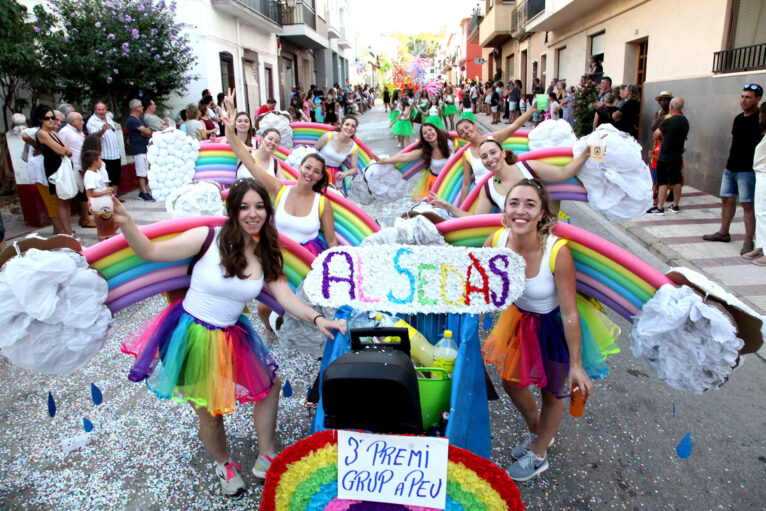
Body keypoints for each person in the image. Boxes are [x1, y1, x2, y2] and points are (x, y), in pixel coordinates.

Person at [116, 177, 345, 497]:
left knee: (269, 386)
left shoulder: (267, 251)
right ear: (232, 210)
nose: (253, 214)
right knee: (210, 411)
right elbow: (151, 251)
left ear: (268, 211)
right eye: (244, 207)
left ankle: (266, 455)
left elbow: (287, 298)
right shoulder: (208, 237)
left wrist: (318, 318)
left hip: (233, 333)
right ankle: (223, 463)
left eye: (260, 206)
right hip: (191, 334)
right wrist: (127, 223)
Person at [482, 178, 616, 481]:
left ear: (542, 213)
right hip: (520, 320)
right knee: (511, 382)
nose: (521, 210)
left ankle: (539, 453)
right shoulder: (495, 242)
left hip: (554, 324)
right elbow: (482, 285)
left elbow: (570, 312)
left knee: (552, 392)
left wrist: (577, 364)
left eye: (530, 204)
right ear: (504, 211)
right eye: (514, 203)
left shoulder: (558, 252)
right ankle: (538, 431)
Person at [431, 138, 594, 217]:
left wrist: (585, 154)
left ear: (503, 153)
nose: (490, 159)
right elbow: (476, 219)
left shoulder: (528, 167)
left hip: (544, 233)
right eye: (484, 156)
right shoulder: (488, 188)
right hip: (516, 240)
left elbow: (564, 173)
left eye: (493, 152)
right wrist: (448, 206)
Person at [703, 84, 764, 255]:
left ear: (758, 99)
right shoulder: (738, 118)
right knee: (726, 200)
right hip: (731, 167)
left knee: (747, 205)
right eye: (742, 96)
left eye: (748, 97)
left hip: (748, 170)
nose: (743, 100)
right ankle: (723, 232)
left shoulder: (761, 118)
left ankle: (748, 241)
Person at [455, 100, 538, 202]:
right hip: (482, 194)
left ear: (474, 126)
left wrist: (532, 110)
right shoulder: (467, 154)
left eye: (467, 127)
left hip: (502, 188)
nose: (466, 132)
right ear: (462, 137)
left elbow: (514, 126)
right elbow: (466, 183)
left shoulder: (494, 139)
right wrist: (464, 205)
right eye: (461, 132)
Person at [375, 123, 455, 200]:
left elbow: (462, 154)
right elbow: (404, 157)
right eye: (425, 133)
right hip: (437, 183)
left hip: (454, 179)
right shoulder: (426, 151)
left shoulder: (449, 142)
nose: (429, 133)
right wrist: (383, 161)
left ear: (436, 130)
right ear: (423, 138)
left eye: (430, 130)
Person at [36, 105, 74, 236]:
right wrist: (65, 151)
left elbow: (67, 149)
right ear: (41, 119)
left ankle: (68, 231)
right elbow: (60, 150)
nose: (51, 121)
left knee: (66, 200)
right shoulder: (41, 133)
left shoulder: (53, 133)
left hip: (62, 166)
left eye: (53, 118)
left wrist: (65, 151)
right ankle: (67, 233)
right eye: (48, 118)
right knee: (61, 201)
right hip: (54, 168)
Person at [648, 98, 689, 215]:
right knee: (676, 181)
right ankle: (675, 206)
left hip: (665, 155)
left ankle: (660, 207)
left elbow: (655, 135)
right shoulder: (685, 121)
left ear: (671, 107)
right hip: (677, 155)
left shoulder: (668, 121)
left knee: (662, 182)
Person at [59, 111, 96, 228]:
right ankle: (85, 218)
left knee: (84, 193)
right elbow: (62, 149)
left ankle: (85, 217)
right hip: (74, 167)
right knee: (82, 194)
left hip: (82, 166)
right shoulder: (65, 132)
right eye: (80, 120)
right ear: (72, 121)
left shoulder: (78, 132)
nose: (82, 122)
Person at [743, 102, 766, 265]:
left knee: (762, 213)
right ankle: (760, 246)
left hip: (765, 175)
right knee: (760, 212)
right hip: (760, 175)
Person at [86, 101, 122, 195]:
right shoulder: (92, 121)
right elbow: (94, 136)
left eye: (103, 109)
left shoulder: (108, 118)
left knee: (116, 178)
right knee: (106, 178)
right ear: (95, 110)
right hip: (105, 155)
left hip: (115, 153)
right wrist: (103, 130)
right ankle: (108, 197)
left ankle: (115, 196)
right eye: (99, 110)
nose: (101, 112)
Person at [313, 116, 360, 187]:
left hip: (333, 176)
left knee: (330, 196)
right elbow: (313, 150)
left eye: (353, 126)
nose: (349, 128)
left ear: (355, 130)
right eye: (347, 124)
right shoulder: (329, 136)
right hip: (318, 170)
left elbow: (354, 169)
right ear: (341, 126)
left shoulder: (354, 147)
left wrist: (344, 173)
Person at [126, 99, 156, 202]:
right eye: (140, 106)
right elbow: (146, 131)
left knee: (144, 170)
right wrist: (146, 132)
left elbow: (148, 131)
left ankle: (144, 191)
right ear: (136, 108)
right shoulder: (132, 120)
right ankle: (143, 192)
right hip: (138, 149)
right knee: (141, 172)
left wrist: (146, 132)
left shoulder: (139, 119)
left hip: (143, 148)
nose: (142, 108)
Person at [649, 91, 674, 207]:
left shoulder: (674, 114)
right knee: (656, 169)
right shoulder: (658, 113)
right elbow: (653, 128)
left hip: (669, 145)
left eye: (666, 99)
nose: (663, 102)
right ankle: (656, 192)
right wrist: (660, 117)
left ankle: (671, 192)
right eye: (662, 100)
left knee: (670, 170)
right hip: (658, 144)